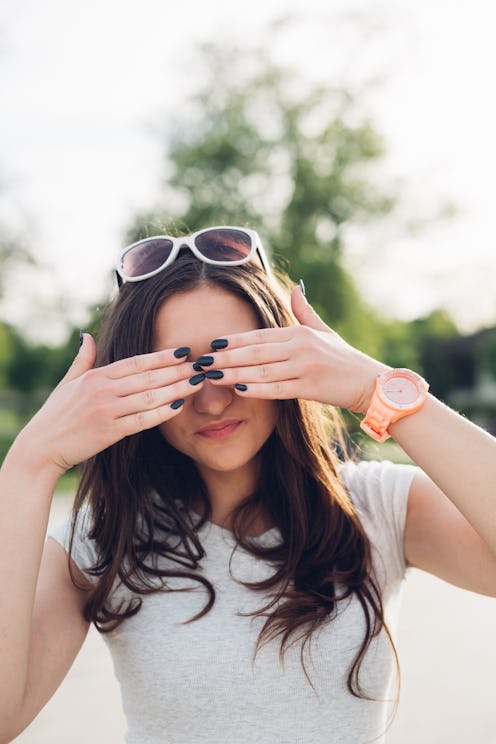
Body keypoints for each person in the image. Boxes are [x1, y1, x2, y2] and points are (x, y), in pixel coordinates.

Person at [1, 226, 495, 744]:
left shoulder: (379, 507)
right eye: (179, 376)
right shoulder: (101, 538)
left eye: (236, 363)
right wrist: (30, 464)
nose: (211, 401)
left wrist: (380, 390)